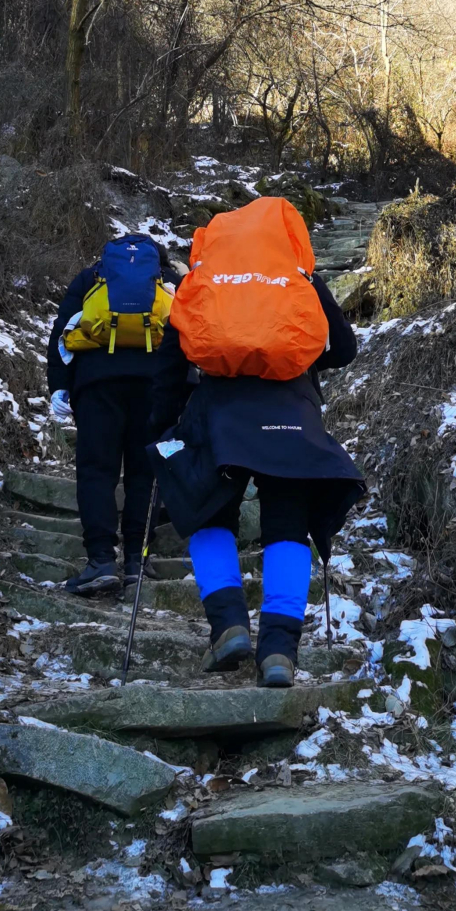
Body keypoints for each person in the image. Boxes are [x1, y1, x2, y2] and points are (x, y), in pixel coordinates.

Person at [147, 200, 362, 688]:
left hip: (219, 412)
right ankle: (279, 652)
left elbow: (169, 367)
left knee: (208, 511)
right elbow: (345, 348)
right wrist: (296, 361)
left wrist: (159, 431)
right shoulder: (299, 278)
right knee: (287, 523)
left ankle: (228, 626)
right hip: (290, 412)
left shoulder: (201, 280)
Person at [47, 239, 179, 596]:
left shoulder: (92, 277)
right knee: (145, 472)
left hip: (97, 383)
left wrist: (59, 386)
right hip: (155, 386)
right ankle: (137, 560)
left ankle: (101, 560)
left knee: (97, 470)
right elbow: (188, 334)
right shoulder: (168, 282)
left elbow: (62, 329)